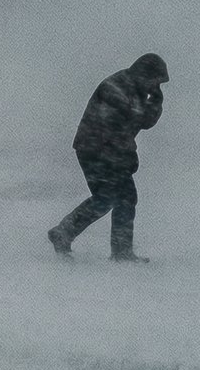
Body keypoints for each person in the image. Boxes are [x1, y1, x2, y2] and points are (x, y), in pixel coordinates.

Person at [48, 53, 169, 262]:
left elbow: (144, 121)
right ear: (145, 74)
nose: (155, 86)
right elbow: (114, 128)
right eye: (155, 81)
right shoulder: (116, 88)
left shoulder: (137, 91)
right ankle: (70, 234)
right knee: (114, 196)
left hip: (107, 150)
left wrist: (156, 101)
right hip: (94, 148)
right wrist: (125, 157)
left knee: (116, 197)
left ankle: (70, 234)